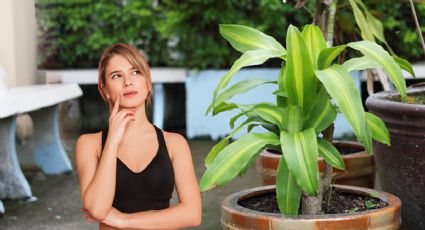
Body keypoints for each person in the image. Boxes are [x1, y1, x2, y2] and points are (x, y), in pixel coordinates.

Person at [75, 43, 202, 230]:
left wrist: (125, 221)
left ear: (147, 82)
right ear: (104, 89)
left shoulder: (174, 143)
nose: (128, 81)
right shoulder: (89, 144)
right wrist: (112, 142)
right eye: (116, 76)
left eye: (135, 72)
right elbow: (97, 209)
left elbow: (192, 214)